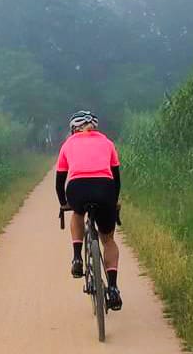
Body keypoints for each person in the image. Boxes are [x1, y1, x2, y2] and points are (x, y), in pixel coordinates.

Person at [55, 110, 123, 311]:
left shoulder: (68, 144)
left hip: (78, 189)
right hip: (105, 189)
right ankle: (112, 288)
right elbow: (116, 179)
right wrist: (113, 201)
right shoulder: (108, 143)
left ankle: (77, 257)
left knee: (77, 213)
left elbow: (59, 182)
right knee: (108, 240)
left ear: (74, 129)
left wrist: (64, 202)